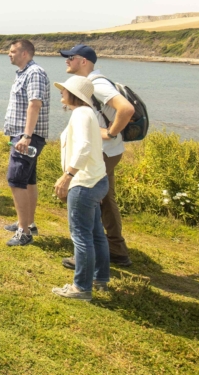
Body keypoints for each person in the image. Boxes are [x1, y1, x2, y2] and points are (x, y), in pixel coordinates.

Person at [60, 44, 135, 267]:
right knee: (105, 200)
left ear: (83, 61)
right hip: (107, 152)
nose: (66, 61)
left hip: (102, 152)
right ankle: (116, 250)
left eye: (70, 57)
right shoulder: (91, 83)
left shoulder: (97, 84)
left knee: (83, 197)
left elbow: (127, 109)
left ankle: (86, 252)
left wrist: (110, 133)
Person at [51, 75, 110, 301]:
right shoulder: (87, 113)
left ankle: (81, 288)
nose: (61, 92)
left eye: (64, 89)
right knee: (96, 234)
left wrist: (68, 176)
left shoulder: (81, 114)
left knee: (81, 236)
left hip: (84, 183)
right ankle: (100, 279)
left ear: (74, 94)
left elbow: (84, 146)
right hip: (97, 179)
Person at [2, 39, 50, 247]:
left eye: (12, 51)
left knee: (16, 180)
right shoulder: (23, 73)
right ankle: (28, 223)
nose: (9, 54)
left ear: (24, 53)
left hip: (26, 137)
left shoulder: (34, 73)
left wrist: (26, 136)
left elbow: (34, 104)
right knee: (28, 181)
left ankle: (24, 232)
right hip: (23, 136)